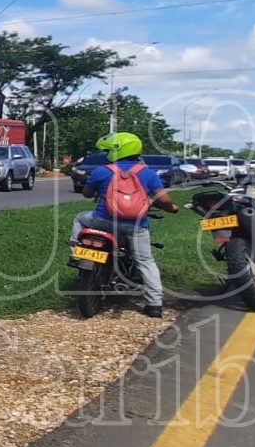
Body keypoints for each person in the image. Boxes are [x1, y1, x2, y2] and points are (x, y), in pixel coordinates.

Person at [70, 131, 179, 317]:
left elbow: (87, 193)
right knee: (145, 261)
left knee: (80, 218)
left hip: (102, 221)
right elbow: (164, 200)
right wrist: (173, 208)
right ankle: (154, 305)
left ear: (117, 151)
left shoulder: (102, 171)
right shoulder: (147, 173)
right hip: (135, 226)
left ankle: (75, 251)